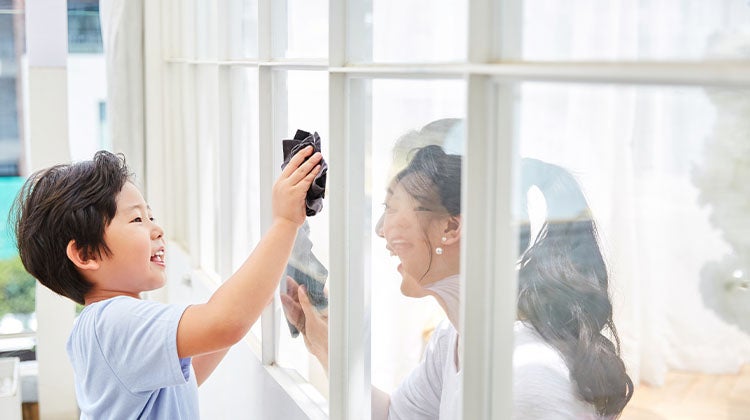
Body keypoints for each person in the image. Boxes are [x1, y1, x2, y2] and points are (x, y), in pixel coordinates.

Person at [282, 134, 633, 419]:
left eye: (390, 209)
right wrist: (327, 349)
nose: (379, 230)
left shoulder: (522, 379)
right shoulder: (454, 338)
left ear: (451, 226)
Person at [11, 148, 322, 418]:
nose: (157, 229)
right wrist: (284, 222)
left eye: (151, 216)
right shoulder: (113, 322)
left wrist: (260, 290)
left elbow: (186, 377)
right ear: (86, 253)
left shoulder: (109, 326)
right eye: (137, 220)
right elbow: (224, 323)